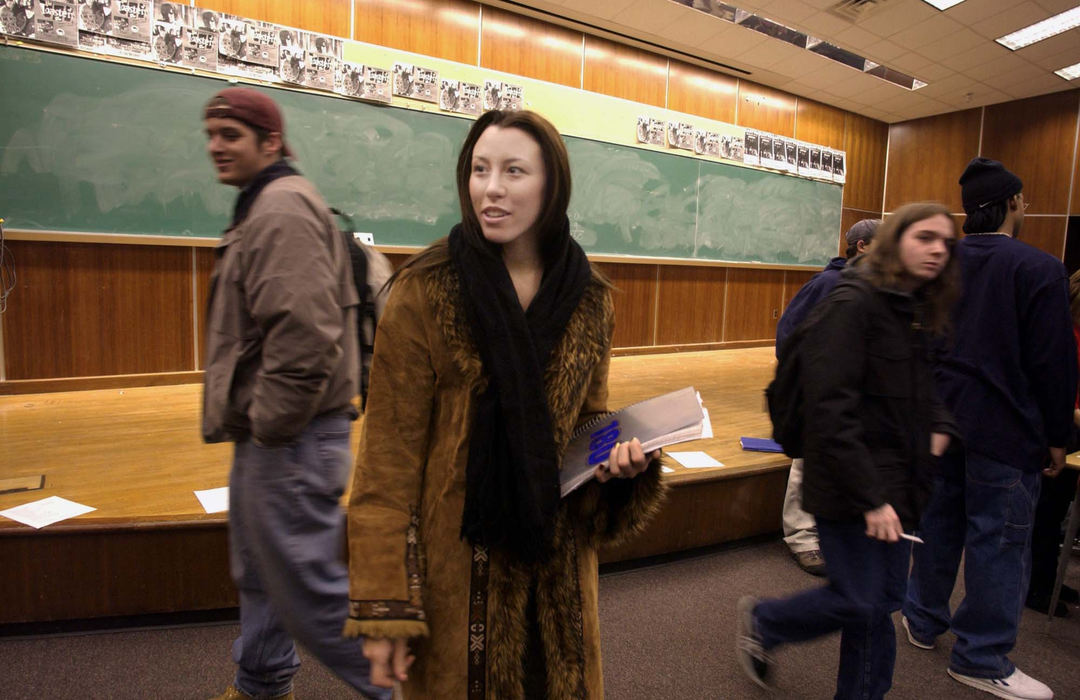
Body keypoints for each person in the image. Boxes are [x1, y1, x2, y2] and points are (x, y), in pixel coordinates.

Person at [343, 110, 666, 699]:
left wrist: (619, 464)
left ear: (552, 185)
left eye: (514, 171)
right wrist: (386, 603)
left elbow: (586, 415)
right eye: (479, 169)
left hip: (557, 574)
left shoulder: (589, 296)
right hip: (458, 577)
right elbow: (385, 464)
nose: (491, 188)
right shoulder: (424, 290)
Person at [200, 87, 387, 700]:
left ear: (271, 141)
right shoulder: (265, 204)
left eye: (230, 135)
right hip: (277, 433)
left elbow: (305, 341)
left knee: (309, 594)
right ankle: (260, 686)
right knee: (261, 573)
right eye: (211, 133)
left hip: (293, 436)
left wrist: (271, 427)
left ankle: (406, 691)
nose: (215, 146)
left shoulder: (280, 208)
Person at [736, 202, 960, 699]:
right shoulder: (853, 302)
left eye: (946, 241)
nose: (938, 249)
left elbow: (925, 389)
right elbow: (829, 409)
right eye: (925, 237)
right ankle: (766, 620)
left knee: (880, 602)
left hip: (897, 480)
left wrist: (940, 425)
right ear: (895, 240)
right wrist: (871, 498)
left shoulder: (915, 306)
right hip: (849, 482)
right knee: (859, 600)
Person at [902, 158, 1077, 700]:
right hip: (1005, 431)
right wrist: (1057, 437)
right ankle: (979, 657)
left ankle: (922, 619)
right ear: (1014, 203)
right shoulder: (1039, 268)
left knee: (937, 525)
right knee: (998, 542)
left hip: (940, 423)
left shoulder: (938, 261)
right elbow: (1052, 363)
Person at [775, 218, 880, 576]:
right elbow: (788, 334)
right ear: (862, 246)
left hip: (855, 397)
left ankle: (832, 531)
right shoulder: (827, 284)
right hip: (819, 394)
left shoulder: (876, 287)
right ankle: (802, 537)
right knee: (807, 464)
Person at [1025, 269, 1080, 617]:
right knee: (1047, 514)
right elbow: (1056, 389)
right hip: (1057, 429)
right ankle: (1038, 586)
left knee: (1055, 512)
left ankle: (1049, 579)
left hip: (1065, 427)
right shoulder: (1065, 335)